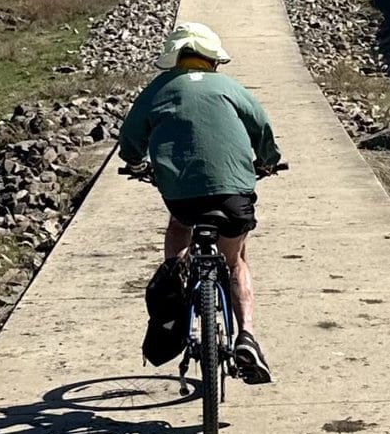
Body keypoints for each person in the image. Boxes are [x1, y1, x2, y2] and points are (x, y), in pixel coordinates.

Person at [120, 21, 279, 383]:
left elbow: (130, 135)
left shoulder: (159, 88)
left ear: (176, 58)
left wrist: (134, 162)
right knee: (235, 259)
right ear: (212, 60)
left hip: (182, 198)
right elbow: (262, 128)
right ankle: (247, 337)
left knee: (180, 224)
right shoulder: (229, 86)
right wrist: (268, 160)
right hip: (235, 196)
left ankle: (176, 276)